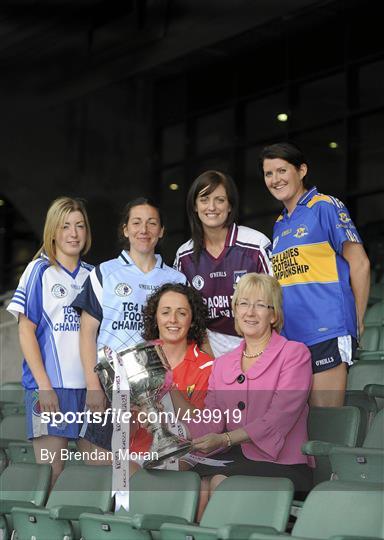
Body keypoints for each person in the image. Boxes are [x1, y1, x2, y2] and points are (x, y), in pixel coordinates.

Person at [182, 273, 313, 518]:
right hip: (236, 458)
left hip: (283, 463)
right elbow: (211, 418)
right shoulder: (222, 364)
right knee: (195, 486)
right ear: (235, 310)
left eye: (260, 305)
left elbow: (279, 418)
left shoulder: (295, 354)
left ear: (274, 315)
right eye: (243, 303)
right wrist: (175, 433)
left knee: (221, 483)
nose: (250, 312)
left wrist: (225, 440)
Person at [71, 197, 186, 458]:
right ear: (125, 229)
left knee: (156, 462)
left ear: (161, 231)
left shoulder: (176, 279)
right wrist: (92, 386)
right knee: (101, 464)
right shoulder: (104, 273)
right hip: (111, 387)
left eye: (151, 223)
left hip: (159, 389)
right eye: (136, 222)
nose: (143, 230)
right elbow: (87, 332)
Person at [259, 142, 371, 407]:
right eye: (268, 174)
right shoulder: (279, 223)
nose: (275, 179)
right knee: (300, 423)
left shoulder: (325, 206)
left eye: (282, 170)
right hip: (292, 336)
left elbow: (360, 263)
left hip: (327, 330)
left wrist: (359, 318)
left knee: (325, 419)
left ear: (302, 170)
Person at [7, 196, 93, 487]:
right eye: (65, 226)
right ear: (53, 232)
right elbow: (25, 330)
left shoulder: (94, 276)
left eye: (79, 225)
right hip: (48, 392)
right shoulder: (39, 271)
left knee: (98, 475)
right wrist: (44, 386)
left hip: (88, 392)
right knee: (50, 476)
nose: (73, 233)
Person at [174, 170, 272, 358]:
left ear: (230, 206)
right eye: (204, 199)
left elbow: (276, 302)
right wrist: (208, 357)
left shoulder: (256, 244)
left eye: (220, 200)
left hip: (257, 346)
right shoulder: (184, 254)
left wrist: (255, 352)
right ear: (194, 205)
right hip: (208, 350)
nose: (212, 207)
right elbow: (186, 312)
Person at [129, 282, 213, 469]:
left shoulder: (208, 366)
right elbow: (124, 427)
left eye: (181, 313)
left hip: (186, 452)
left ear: (192, 320)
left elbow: (200, 426)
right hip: (139, 451)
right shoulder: (135, 360)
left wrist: (168, 386)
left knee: (172, 470)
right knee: (123, 472)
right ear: (155, 318)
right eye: (165, 312)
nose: (173, 319)